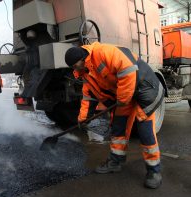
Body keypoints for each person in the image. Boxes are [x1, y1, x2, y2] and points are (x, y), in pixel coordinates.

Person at [64, 42, 165, 189]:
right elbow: (88, 97)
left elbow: (128, 70)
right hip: (124, 95)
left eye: (75, 66)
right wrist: (83, 118)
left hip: (144, 87)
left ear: (82, 59)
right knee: (118, 127)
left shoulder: (104, 52)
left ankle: (154, 171)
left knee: (145, 131)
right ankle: (116, 161)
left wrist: (122, 99)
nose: (75, 69)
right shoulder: (86, 73)